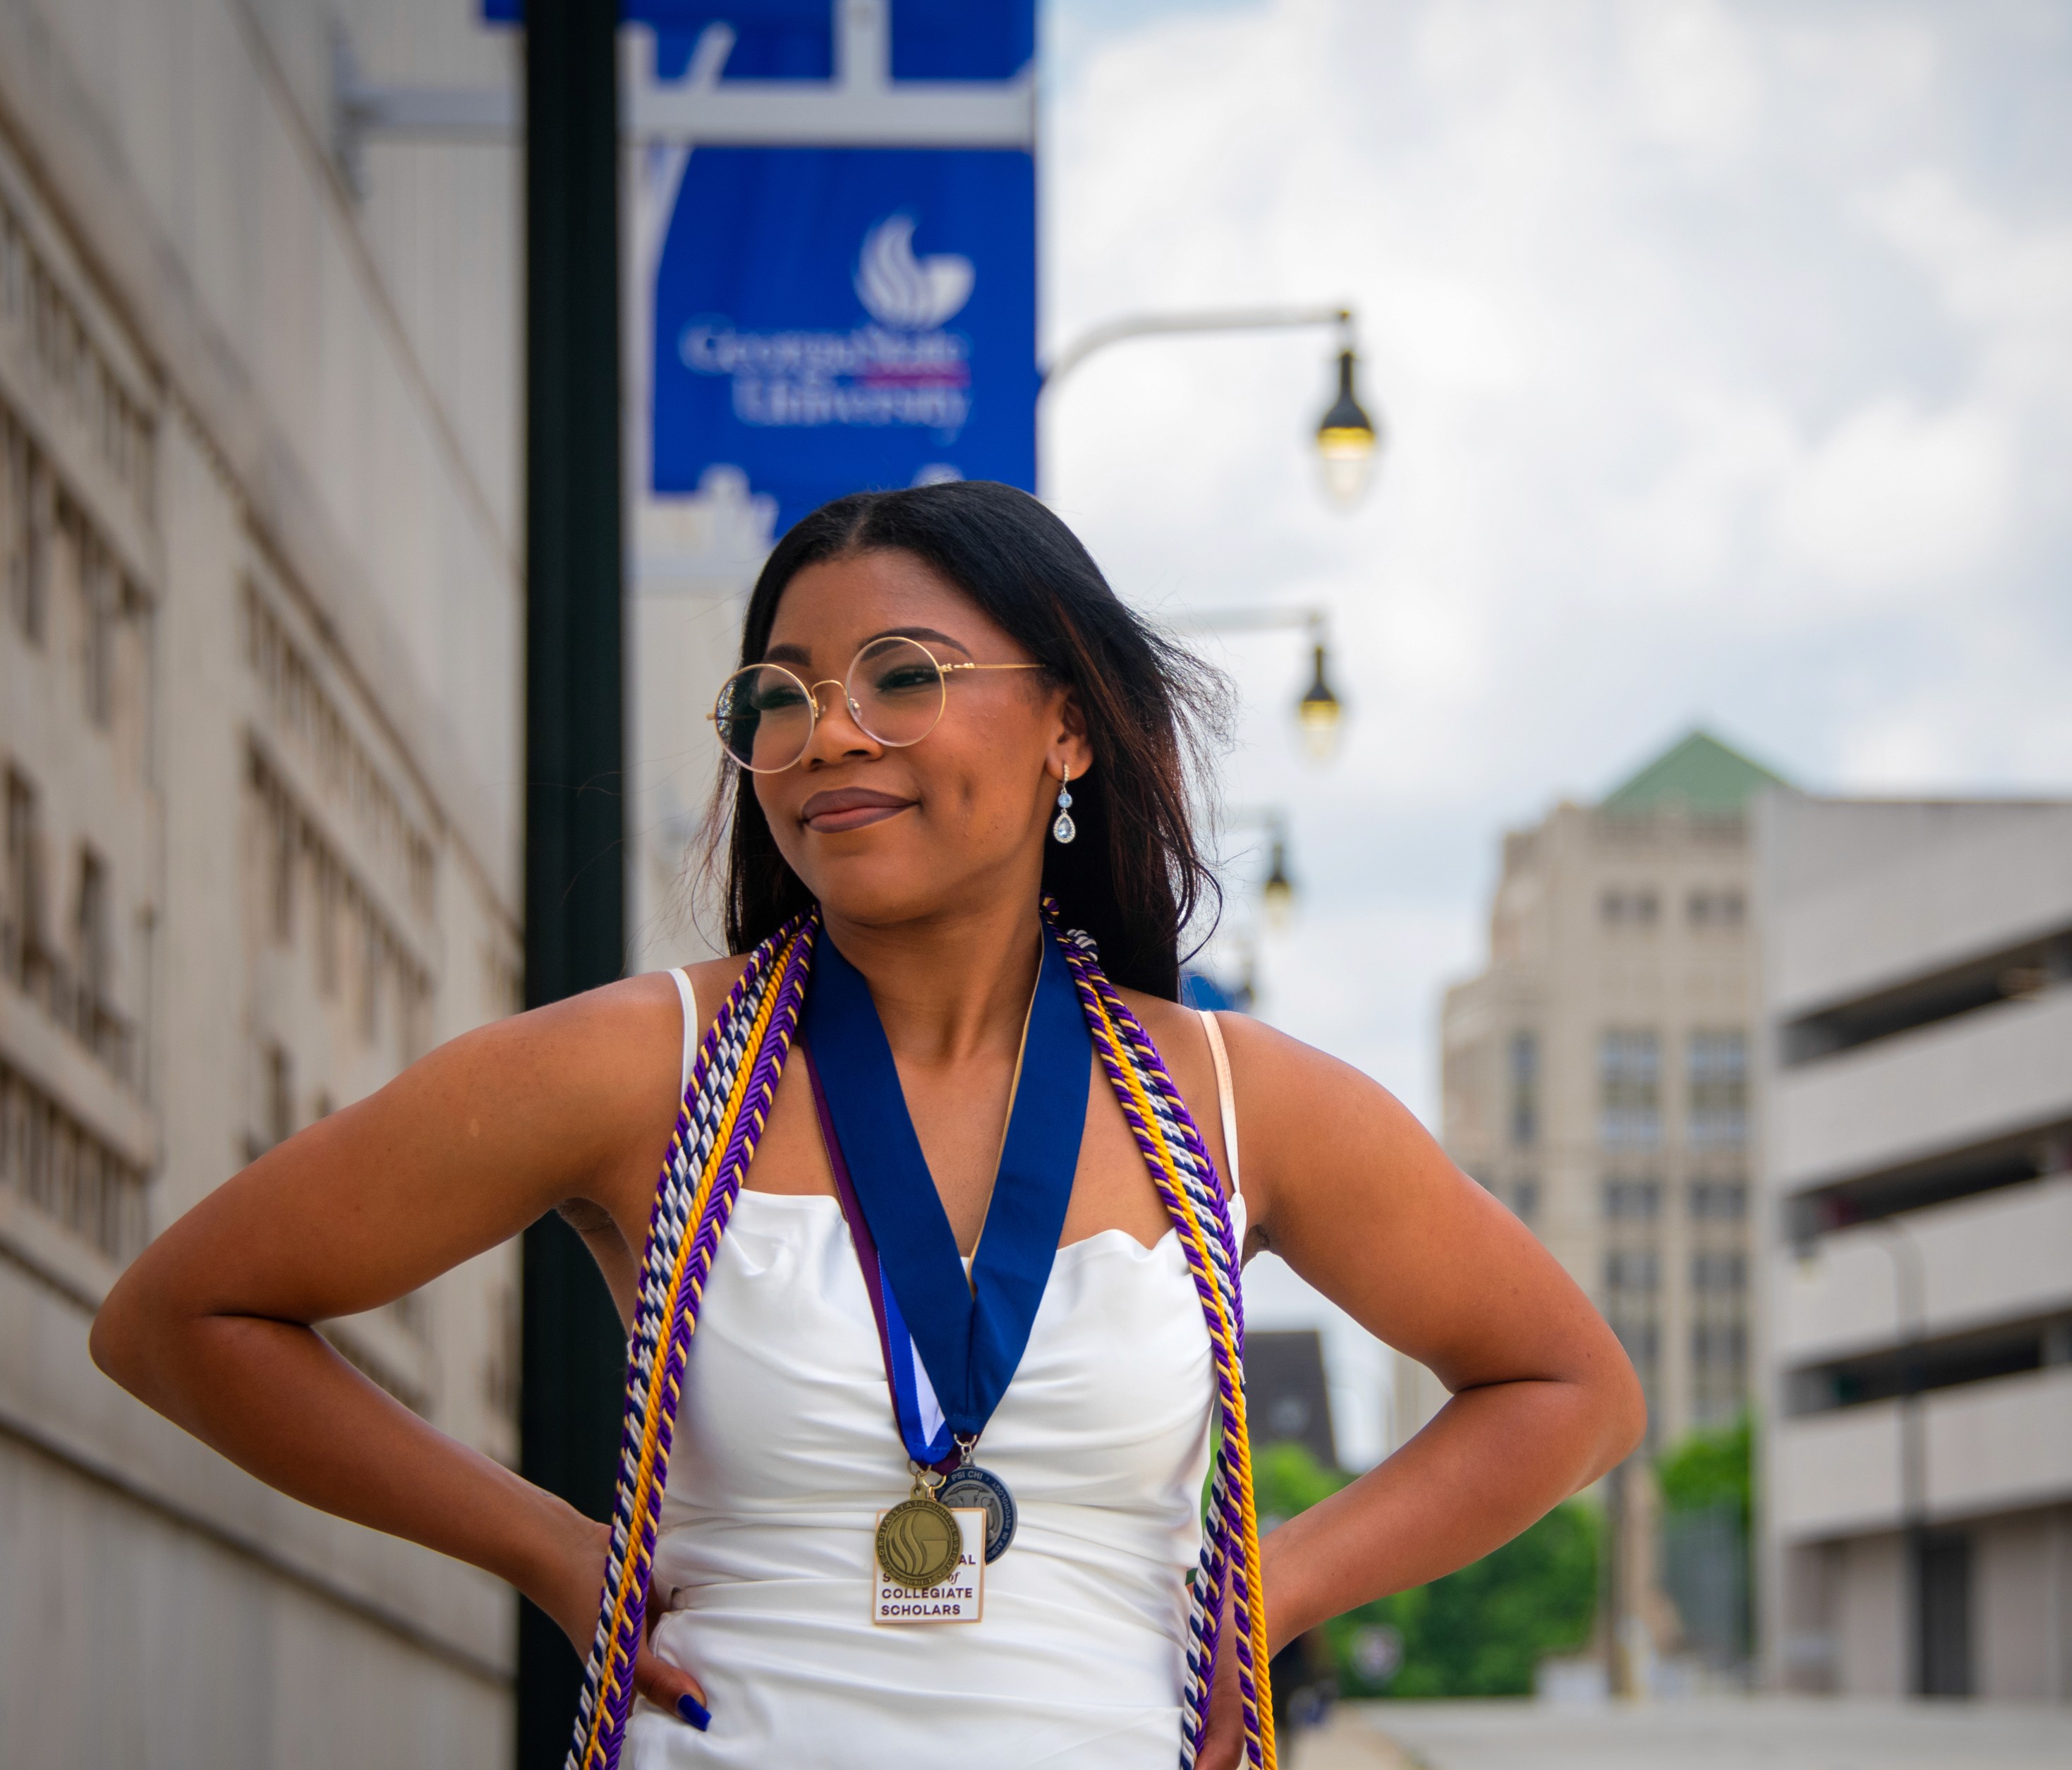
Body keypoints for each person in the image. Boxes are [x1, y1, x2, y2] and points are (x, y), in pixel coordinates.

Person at [91, 483, 1641, 1769]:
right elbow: (183, 1315)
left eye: (903, 678)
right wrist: (552, 1550)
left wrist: (1281, 1582)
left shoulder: (1239, 1100)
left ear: (1070, 727)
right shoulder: (645, 1068)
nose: (827, 735)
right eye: (779, 696)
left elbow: (1570, 1388)